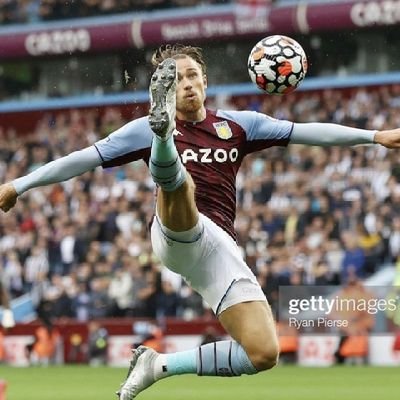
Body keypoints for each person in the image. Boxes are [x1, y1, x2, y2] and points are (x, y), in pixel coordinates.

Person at [1, 45, 400, 399]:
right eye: (176, 80)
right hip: (173, 233)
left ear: (205, 82)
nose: (187, 84)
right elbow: (82, 158)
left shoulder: (239, 125)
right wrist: (19, 185)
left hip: (218, 248)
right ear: (166, 92)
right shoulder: (138, 129)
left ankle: (157, 366)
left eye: (193, 75)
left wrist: (374, 135)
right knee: (180, 186)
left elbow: (306, 132)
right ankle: (165, 141)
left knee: (263, 352)